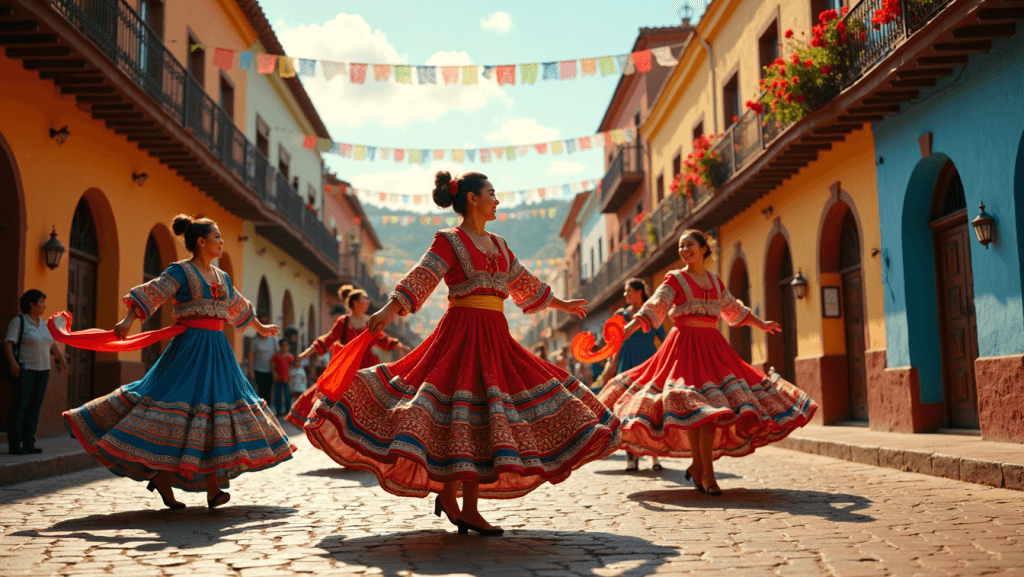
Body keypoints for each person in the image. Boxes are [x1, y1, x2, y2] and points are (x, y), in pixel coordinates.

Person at [304, 171, 620, 536]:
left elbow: (524, 282)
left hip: (496, 335)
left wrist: (562, 304)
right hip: (460, 334)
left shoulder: (500, 245)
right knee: (465, 413)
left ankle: (458, 500)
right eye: (492, 193)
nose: (497, 200)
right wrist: (388, 310)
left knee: (483, 417)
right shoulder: (450, 241)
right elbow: (422, 276)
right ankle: (463, 506)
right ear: (472, 199)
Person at [60, 214, 295, 510]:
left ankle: (209, 489)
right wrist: (128, 319)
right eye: (217, 237)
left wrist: (260, 328)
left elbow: (236, 305)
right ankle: (169, 479)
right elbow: (153, 292)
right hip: (190, 351)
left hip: (218, 351)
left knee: (211, 412)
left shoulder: (222, 277)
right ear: (201, 241)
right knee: (182, 407)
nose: (222, 242)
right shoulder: (182, 271)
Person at [598, 230, 817, 496]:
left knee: (711, 409)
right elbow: (655, 306)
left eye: (689, 245)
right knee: (696, 407)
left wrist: (761, 323)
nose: (684, 250)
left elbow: (733, 309)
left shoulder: (714, 281)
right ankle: (707, 474)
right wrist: (627, 329)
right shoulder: (675, 278)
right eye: (681, 246)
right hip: (684, 347)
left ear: (704, 248)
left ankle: (699, 466)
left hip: (713, 348)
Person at [286, 287, 408, 428]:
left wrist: (399, 346)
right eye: (364, 299)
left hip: (367, 365)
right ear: (355, 303)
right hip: (347, 366)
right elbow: (329, 338)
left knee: (371, 399)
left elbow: (381, 340)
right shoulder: (344, 322)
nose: (367, 302)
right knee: (330, 393)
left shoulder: (371, 320)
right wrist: (310, 350)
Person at [599, 279, 668, 472]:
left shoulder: (653, 313)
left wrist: (666, 364)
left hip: (649, 364)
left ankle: (655, 457)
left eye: (628, 290)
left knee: (652, 408)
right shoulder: (621, 315)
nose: (625, 294)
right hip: (626, 365)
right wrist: (611, 365)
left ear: (639, 292)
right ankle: (631, 457)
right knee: (626, 410)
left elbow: (664, 340)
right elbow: (615, 343)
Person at [4, 290, 68, 455]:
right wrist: (13, 364)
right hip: (25, 370)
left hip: (43, 371)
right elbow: (8, 344)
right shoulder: (19, 322)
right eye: (41, 302)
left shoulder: (44, 324)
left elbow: (52, 345)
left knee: (34, 407)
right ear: (31, 304)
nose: (44, 305)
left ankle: (29, 443)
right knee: (20, 407)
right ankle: (15, 444)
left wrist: (61, 360)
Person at [247, 314, 277, 404]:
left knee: (268, 392)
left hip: (270, 371)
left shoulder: (273, 340)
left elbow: (277, 356)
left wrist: (276, 371)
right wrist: (251, 371)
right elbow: (250, 356)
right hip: (258, 370)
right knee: (259, 392)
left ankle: (267, 412)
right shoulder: (255, 341)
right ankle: (259, 411)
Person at [270, 339, 293, 417]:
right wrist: (274, 374)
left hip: (287, 379)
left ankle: (287, 411)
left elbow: (292, 368)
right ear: (280, 346)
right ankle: (278, 412)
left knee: (287, 396)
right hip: (278, 379)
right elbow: (272, 366)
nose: (284, 347)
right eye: (283, 345)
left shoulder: (290, 357)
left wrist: (291, 377)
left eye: (286, 345)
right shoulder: (276, 356)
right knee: (277, 396)